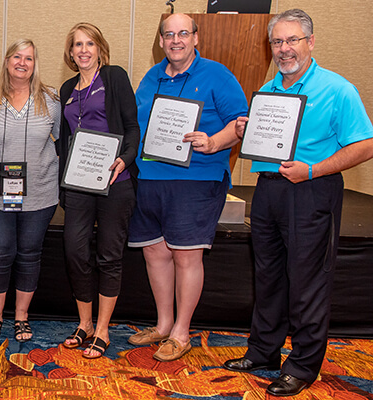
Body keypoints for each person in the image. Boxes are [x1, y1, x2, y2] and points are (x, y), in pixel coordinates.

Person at [223, 9, 373, 396]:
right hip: (269, 190)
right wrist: (245, 129)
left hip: (311, 190)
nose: (284, 49)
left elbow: (365, 144)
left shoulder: (337, 89)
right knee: (268, 277)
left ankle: (304, 365)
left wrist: (315, 170)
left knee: (308, 281)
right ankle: (263, 352)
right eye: (277, 41)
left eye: (292, 40)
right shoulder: (268, 90)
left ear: (311, 42)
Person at [127, 13, 247, 361]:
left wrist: (213, 142)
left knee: (186, 254)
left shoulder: (217, 75)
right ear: (161, 41)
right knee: (154, 251)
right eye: (168, 34)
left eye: (183, 33)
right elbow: (137, 126)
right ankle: (163, 325)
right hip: (150, 177)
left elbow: (240, 123)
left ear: (196, 37)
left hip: (197, 178)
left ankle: (181, 332)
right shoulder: (151, 78)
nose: (175, 40)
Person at [56, 23, 140, 358]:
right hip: (78, 183)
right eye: (77, 44)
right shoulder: (66, 88)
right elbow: (64, 139)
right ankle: (85, 323)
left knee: (109, 255)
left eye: (90, 43)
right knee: (75, 252)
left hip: (114, 182)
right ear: (71, 52)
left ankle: (102, 329)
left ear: (99, 47)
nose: (83, 50)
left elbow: (132, 126)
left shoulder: (115, 78)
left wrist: (124, 160)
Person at [0, 39, 60, 343]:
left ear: (35, 63)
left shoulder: (51, 100)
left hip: (40, 191)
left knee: (29, 254)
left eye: (29, 58)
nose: (22, 63)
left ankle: (22, 317)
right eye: (17, 56)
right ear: (7, 61)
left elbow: (62, 141)